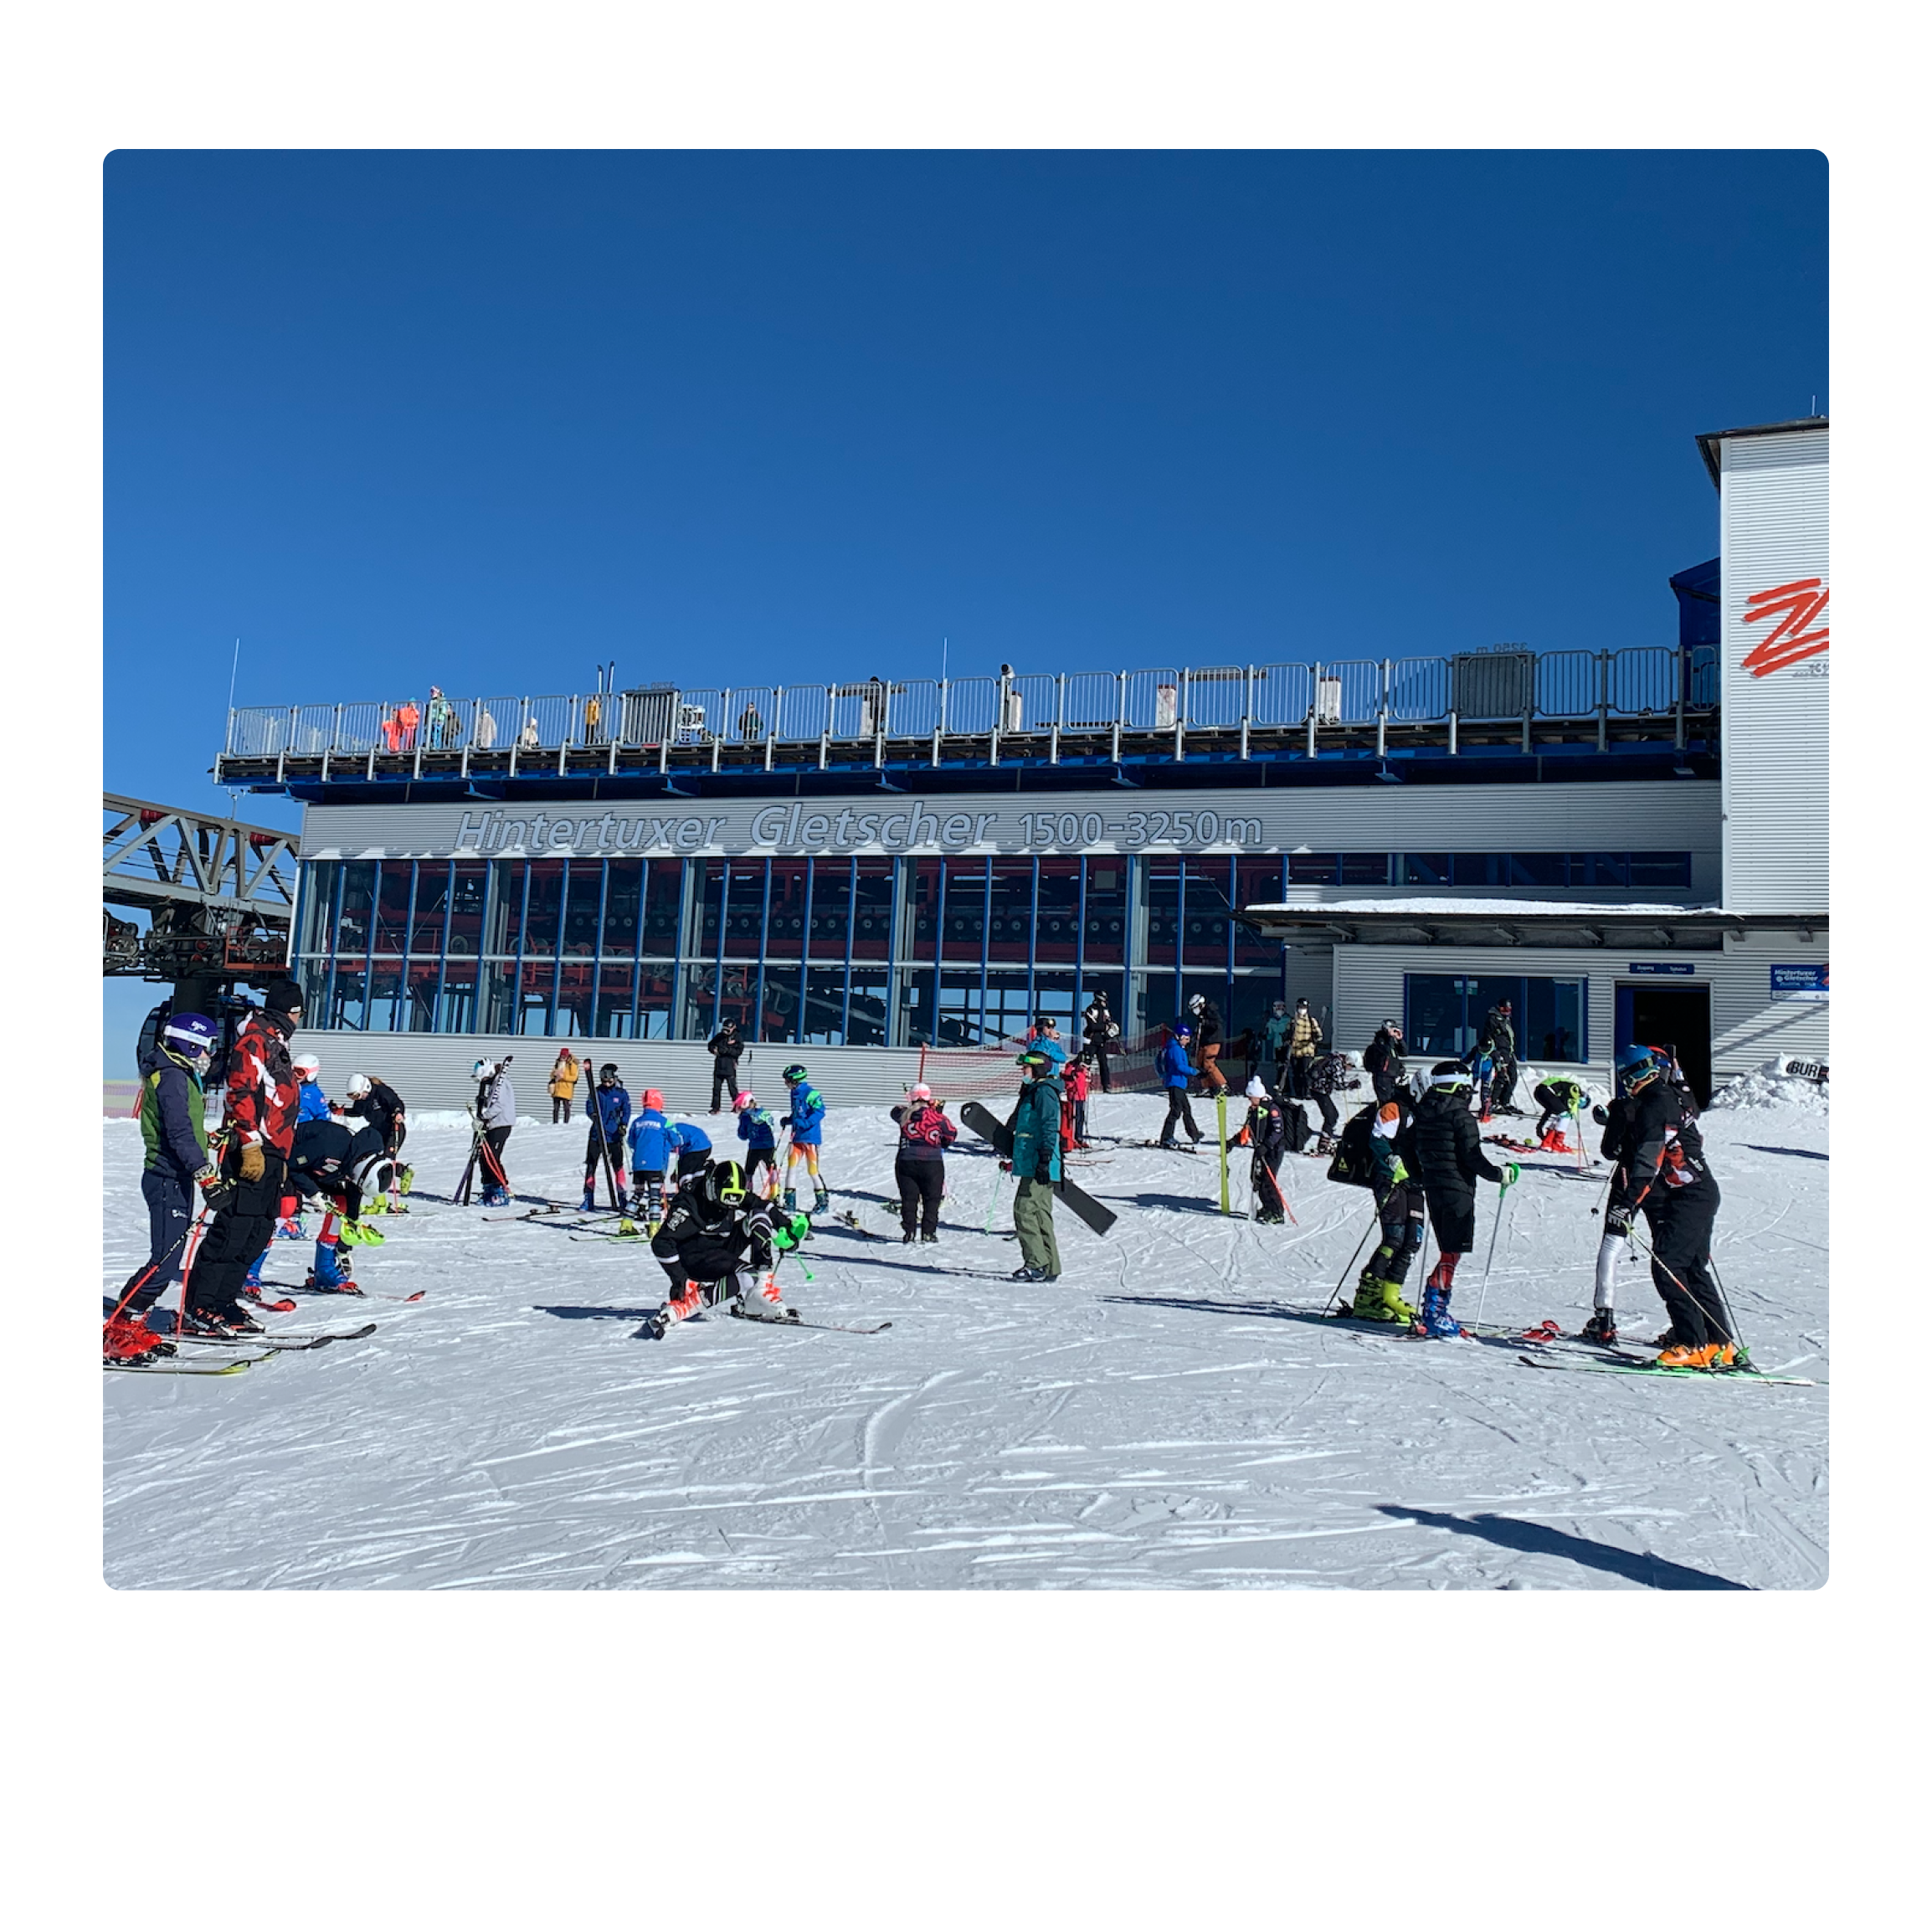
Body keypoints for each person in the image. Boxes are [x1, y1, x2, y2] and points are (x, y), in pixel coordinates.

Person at [1594, 1044, 1732, 1365]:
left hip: (1690, 1196)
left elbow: (1646, 1165)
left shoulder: (1654, 1106)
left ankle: (1692, 1343)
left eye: (1625, 1076)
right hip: (1697, 1191)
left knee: (1667, 1265)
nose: (1624, 1082)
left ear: (1633, 1074)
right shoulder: (1668, 1095)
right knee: (1692, 1267)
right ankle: (1718, 1343)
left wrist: (1626, 1204)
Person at [182, 979, 303, 1336]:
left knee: (258, 1231)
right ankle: (200, 1303)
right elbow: (241, 1091)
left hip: (274, 1153)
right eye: (297, 1012)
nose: (299, 1018)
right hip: (252, 1149)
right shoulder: (254, 1042)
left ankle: (224, 1300)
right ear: (287, 1012)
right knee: (234, 1229)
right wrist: (249, 1142)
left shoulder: (276, 1044)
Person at [108, 1010, 224, 1349]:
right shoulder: (172, 1076)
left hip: (176, 1175)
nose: (209, 1055)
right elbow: (177, 1132)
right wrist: (205, 1174)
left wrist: (208, 1140)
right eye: (207, 1047)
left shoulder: (177, 1074)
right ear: (190, 1044)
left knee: (168, 1257)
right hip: (166, 1177)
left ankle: (131, 1319)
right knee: (164, 1261)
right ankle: (119, 1328)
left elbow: (183, 1127)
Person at [1409, 1058, 1518, 1338]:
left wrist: (1419, 1174)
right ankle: (1435, 1312)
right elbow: (1472, 1158)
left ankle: (1434, 1309)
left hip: (1433, 1187)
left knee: (1448, 1248)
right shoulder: (1461, 1117)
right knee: (1452, 1252)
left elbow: (1408, 1148)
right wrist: (1499, 1174)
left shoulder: (1423, 1111)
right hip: (1457, 1189)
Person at [646, 1161, 808, 1334]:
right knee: (747, 1275)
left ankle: (758, 1294)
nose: (727, 1207)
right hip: (694, 1258)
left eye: (734, 1200)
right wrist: (680, 1280)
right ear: (712, 1188)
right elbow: (661, 1242)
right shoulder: (688, 1205)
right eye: (725, 1200)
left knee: (759, 1216)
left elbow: (758, 1203)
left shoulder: (730, 1194)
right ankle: (689, 1305)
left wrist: (787, 1225)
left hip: (721, 1247)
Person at [1343, 1077, 1426, 1323]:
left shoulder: (1429, 1113)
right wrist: (1391, 1160)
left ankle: (1391, 1295)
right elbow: (1377, 1138)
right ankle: (1368, 1297)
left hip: (1415, 1182)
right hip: (1389, 1179)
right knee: (1395, 1237)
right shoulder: (1394, 1108)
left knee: (1412, 1240)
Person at [288, 1117, 393, 1291]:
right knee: (286, 1207)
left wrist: (344, 1248)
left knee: (342, 1204)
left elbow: (352, 1209)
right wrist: (313, 1193)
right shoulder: (328, 1147)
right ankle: (250, 1273)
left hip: (313, 1171)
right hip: (285, 1160)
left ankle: (325, 1270)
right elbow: (290, 1164)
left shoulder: (356, 1160)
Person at [1003, 1040, 1065, 1282]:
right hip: (1033, 1161)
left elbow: (1050, 1125)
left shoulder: (1044, 1092)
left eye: (1026, 1068)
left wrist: (1045, 1158)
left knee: (1024, 1210)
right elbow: (1022, 1123)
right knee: (1039, 1213)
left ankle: (1036, 1263)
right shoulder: (1033, 1092)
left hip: (1040, 1161)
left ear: (1038, 1068)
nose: (1023, 1072)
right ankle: (1049, 1266)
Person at [889, 1082, 956, 1245]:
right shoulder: (938, 1118)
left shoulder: (904, 1115)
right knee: (932, 1199)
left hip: (906, 1161)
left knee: (909, 1199)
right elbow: (951, 1133)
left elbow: (894, 1111)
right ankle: (928, 1233)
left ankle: (909, 1232)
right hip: (932, 1162)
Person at [342, 1071, 409, 1197]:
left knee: (385, 1161)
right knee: (372, 1159)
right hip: (377, 1130)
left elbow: (396, 1102)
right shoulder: (362, 1099)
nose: (357, 1099)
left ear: (365, 1088)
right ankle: (404, 1171)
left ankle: (381, 1199)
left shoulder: (380, 1092)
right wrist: (341, 1111)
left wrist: (398, 1112)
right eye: (353, 1098)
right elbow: (357, 1111)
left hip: (393, 1129)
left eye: (357, 1096)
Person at [580, 1062, 632, 1211]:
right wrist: (594, 1115)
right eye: (604, 1081)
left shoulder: (621, 1093)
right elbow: (589, 1106)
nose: (607, 1084)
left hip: (614, 1135)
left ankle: (622, 1197)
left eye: (609, 1081)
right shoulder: (596, 1092)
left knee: (618, 1167)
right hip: (597, 1135)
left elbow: (626, 1110)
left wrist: (623, 1125)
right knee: (591, 1166)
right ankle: (588, 1198)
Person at [1238, 1077, 1289, 1224]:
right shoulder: (1253, 1110)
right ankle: (1267, 1207)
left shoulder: (1271, 1109)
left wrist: (1266, 1146)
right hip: (1261, 1149)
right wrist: (1233, 1142)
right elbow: (1248, 1129)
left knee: (1269, 1181)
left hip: (1273, 1150)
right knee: (1257, 1179)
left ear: (1257, 1095)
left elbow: (1277, 1131)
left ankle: (1277, 1212)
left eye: (1251, 1097)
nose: (1249, 1100)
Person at [780, 1063, 830, 1214]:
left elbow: (820, 1112)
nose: (786, 1084)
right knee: (791, 1168)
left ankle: (822, 1202)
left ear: (795, 1080)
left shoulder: (811, 1093)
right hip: (797, 1138)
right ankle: (790, 1202)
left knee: (812, 1170)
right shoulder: (794, 1093)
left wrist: (805, 1123)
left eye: (787, 1081)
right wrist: (790, 1120)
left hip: (810, 1138)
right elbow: (798, 1114)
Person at [627, 1090, 676, 1224]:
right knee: (655, 1196)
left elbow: (630, 1141)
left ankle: (626, 1223)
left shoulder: (637, 1122)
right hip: (655, 1165)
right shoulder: (664, 1122)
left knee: (638, 1194)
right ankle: (654, 1225)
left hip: (638, 1165)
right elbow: (676, 1140)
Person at [472, 1057, 516, 1206]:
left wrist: (483, 1117)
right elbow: (493, 1102)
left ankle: (500, 1189)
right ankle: (488, 1188)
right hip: (493, 1125)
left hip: (502, 1124)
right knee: (484, 1157)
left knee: (493, 1157)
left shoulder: (500, 1083)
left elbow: (499, 1106)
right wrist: (483, 1103)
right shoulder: (495, 1084)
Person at [1157, 1021, 1203, 1149]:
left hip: (1179, 1083)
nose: (1188, 1041)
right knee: (1176, 1110)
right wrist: (1194, 1072)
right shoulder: (1175, 1049)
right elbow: (1179, 1066)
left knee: (1186, 1109)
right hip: (1175, 1083)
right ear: (1179, 1037)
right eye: (1186, 1039)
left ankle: (1194, 1134)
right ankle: (1166, 1137)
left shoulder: (1175, 1048)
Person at [733, 1091, 783, 1195]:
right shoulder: (764, 1113)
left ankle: (747, 1193)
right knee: (772, 1169)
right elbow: (771, 1125)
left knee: (749, 1172)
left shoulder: (745, 1117)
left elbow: (742, 1135)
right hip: (769, 1146)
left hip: (754, 1148)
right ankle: (775, 1194)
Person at [1303, 1047, 1349, 1150]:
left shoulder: (1335, 1060)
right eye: (1352, 1066)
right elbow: (1339, 1084)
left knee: (1333, 1115)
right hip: (1319, 1090)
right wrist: (1351, 1085)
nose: (1350, 1068)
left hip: (1319, 1089)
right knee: (1331, 1117)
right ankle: (1323, 1145)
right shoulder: (1337, 1064)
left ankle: (1325, 1141)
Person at [1483, 999, 1522, 1113]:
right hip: (1499, 1051)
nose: (1507, 1012)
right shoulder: (1493, 1019)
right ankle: (1494, 1102)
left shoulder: (1506, 1019)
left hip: (1508, 1051)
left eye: (1509, 1009)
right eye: (1504, 1009)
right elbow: (1488, 1037)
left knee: (1513, 1077)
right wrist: (1494, 1052)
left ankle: (1505, 1101)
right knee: (1501, 1077)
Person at [1532, 1072, 1588, 1149]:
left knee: (1561, 1114)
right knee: (1565, 1116)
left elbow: (1550, 1109)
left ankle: (1547, 1142)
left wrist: (1540, 1126)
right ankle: (1557, 1143)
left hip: (1539, 1092)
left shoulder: (1565, 1092)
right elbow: (1565, 1101)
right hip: (1547, 1090)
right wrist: (1568, 1112)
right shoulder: (1575, 1088)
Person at [1188, 994, 1226, 1095]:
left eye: (1195, 1008)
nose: (1194, 1011)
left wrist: (1205, 1022)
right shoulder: (1201, 1015)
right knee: (1200, 1064)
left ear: (1200, 1005)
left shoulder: (1211, 1012)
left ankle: (1223, 1085)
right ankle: (1206, 1087)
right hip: (1203, 1042)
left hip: (1213, 1041)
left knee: (1208, 1063)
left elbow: (1217, 1026)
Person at [1081, 991, 1118, 1094]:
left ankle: (1106, 1085)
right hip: (1091, 1040)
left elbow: (1109, 1023)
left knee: (1104, 1064)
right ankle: (1083, 1084)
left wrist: (1109, 1031)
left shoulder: (1106, 1011)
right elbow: (1091, 1026)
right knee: (1086, 1063)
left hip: (1102, 1040)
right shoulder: (1091, 1009)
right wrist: (1104, 1027)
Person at [1286, 998, 1323, 1099]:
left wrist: (1316, 1037)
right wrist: (1288, 1037)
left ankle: (1307, 1092)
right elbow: (1287, 1035)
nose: (1302, 1009)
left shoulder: (1311, 1021)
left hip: (1307, 1051)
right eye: (1300, 1007)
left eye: (1304, 1007)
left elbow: (1319, 1035)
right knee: (1296, 1073)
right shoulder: (1293, 1021)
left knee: (1306, 1072)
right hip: (1295, 1051)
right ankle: (1298, 1092)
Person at [1363, 1020, 1406, 1103]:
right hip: (1382, 1076)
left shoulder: (1392, 1042)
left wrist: (1400, 1040)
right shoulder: (1380, 1040)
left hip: (1392, 1076)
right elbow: (1386, 1051)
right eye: (1392, 1029)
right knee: (1386, 1102)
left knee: (1392, 1100)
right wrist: (1390, 1037)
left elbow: (1404, 1053)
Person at [707, 1018, 744, 1113]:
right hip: (719, 1066)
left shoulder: (737, 1038)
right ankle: (715, 1107)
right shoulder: (719, 1037)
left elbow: (738, 1051)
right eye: (724, 1029)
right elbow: (710, 1045)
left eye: (728, 1030)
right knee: (716, 1089)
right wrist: (714, 1050)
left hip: (730, 1066)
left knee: (732, 1088)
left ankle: (737, 1106)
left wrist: (727, 1050)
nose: (726, 1032)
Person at [1263, 1000, 1292, 1092]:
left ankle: (1284, 1087)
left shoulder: (1288, 1020)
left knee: (1284, 1066)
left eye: (1282, 1007)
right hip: (1277, 1046)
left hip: (1286, 1046)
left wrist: (1288, 1036)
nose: (1280, 1009)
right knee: (1279, 1066)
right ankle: (1282, 1086)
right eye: (1277, 1007)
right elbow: (1270, 1034)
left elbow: (1292, 1032)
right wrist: (1265, 1036)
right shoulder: (1272, 1021)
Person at [1064, 1052, 1092, 1146]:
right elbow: (1066, 1080)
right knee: (1074, 1117)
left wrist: (1088, 1080)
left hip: (1082, 1096)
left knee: (1081, 1117)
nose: (1084, 1067)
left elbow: (1084, 1081)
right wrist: (1072, 1080)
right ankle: (1071, 1138)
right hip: (1074, 1096)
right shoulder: (1071, 1067)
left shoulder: (1084, 1069)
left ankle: (1079, 1137)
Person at [548, 1047, 580, 1123]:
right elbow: (551, 1074)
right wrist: (554, 1074)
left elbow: (574, 1078)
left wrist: (563, 1077)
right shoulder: (557, 1063)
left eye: (564, 1056)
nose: (562, 1058)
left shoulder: (572, 1064)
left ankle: (566, 1123)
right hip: (557, 1089)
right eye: (561, 1056)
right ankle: (555, 1122)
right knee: (556, 1108)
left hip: (567, 1089)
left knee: (566, 1108)